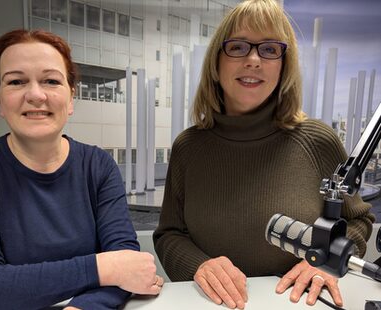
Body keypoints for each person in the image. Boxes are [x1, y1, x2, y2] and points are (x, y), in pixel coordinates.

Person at [153, 0, 375, 309]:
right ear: (216, 63)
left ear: (284, 67)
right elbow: (169, 234)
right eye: (239, 47)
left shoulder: (318, 140)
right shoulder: (188, 148)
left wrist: (323, 264)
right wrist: (199, 267)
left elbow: (358, 220)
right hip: (210, 304)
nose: (254, 60)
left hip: (298, 303)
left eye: (270, 50)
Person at [0, 29, 164, 310]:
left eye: (50, 80)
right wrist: (103, 267)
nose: (35, 95)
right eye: (16, 81)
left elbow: (129, 268)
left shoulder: (98, 166)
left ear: (71, 97)